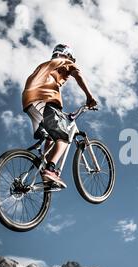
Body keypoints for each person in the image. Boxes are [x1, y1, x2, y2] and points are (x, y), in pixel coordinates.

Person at [22, 44, 97, 188]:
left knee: (52, 135)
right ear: (67, 55)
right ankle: (50, 171)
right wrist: (89, 97)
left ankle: (45, 168)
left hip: (28, 102)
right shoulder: (65, 62)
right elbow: (78, 75)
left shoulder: (45, 65)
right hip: (44, 100)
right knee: (64, 137)